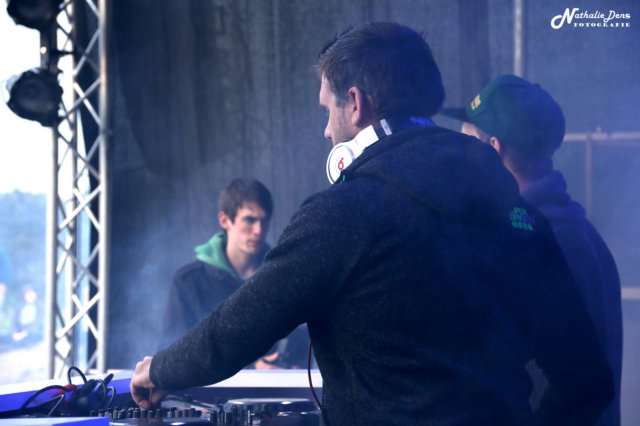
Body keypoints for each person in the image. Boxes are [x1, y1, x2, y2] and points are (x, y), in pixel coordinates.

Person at [131, 22, 613, 425]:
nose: (326, 130)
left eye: (327, 110)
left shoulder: (345, 212)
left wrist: (160, 370)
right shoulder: (518, 213)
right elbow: (587, 380)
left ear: (355, 103)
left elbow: (237, 329)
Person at [441, 74, 623, 425]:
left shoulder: (541, 244)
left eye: (467, 142)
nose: (459, 156)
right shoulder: (579, 232)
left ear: (493, 149)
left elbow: (568, 381)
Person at [159, 178, 307, 369]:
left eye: (264, 221)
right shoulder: (188, 282)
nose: (258, 230)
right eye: (249, 220)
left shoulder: (282, 277)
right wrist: (253, 369)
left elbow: (302, 343)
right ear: (224, 220)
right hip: (210, 389)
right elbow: (171, 358)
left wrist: (293, 368)